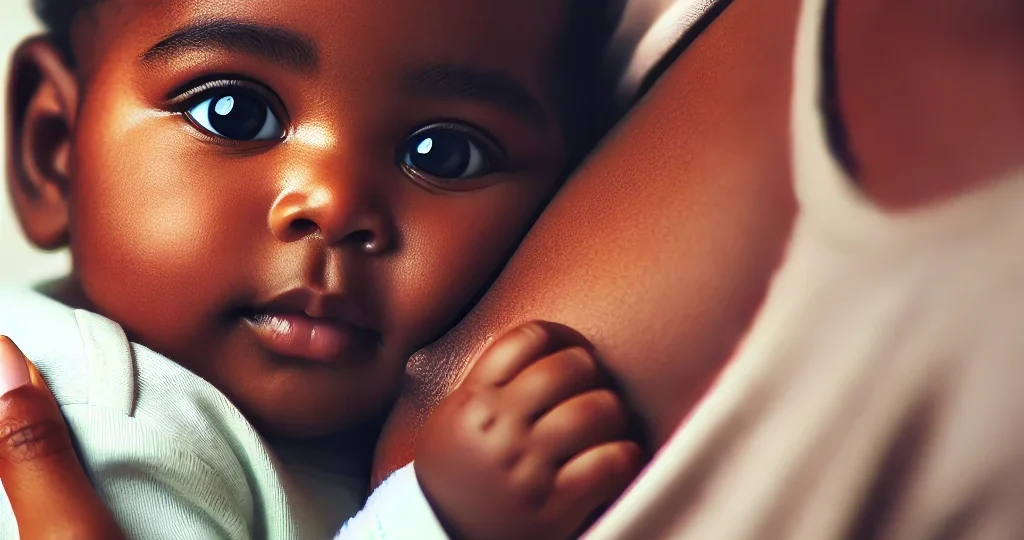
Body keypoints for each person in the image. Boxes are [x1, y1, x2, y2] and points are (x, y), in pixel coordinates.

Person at [0, 0, 645, 538]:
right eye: (235, 113)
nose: (333, 205)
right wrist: (441, 521)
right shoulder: (107, 425)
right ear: (53, 149)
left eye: (444, 154)